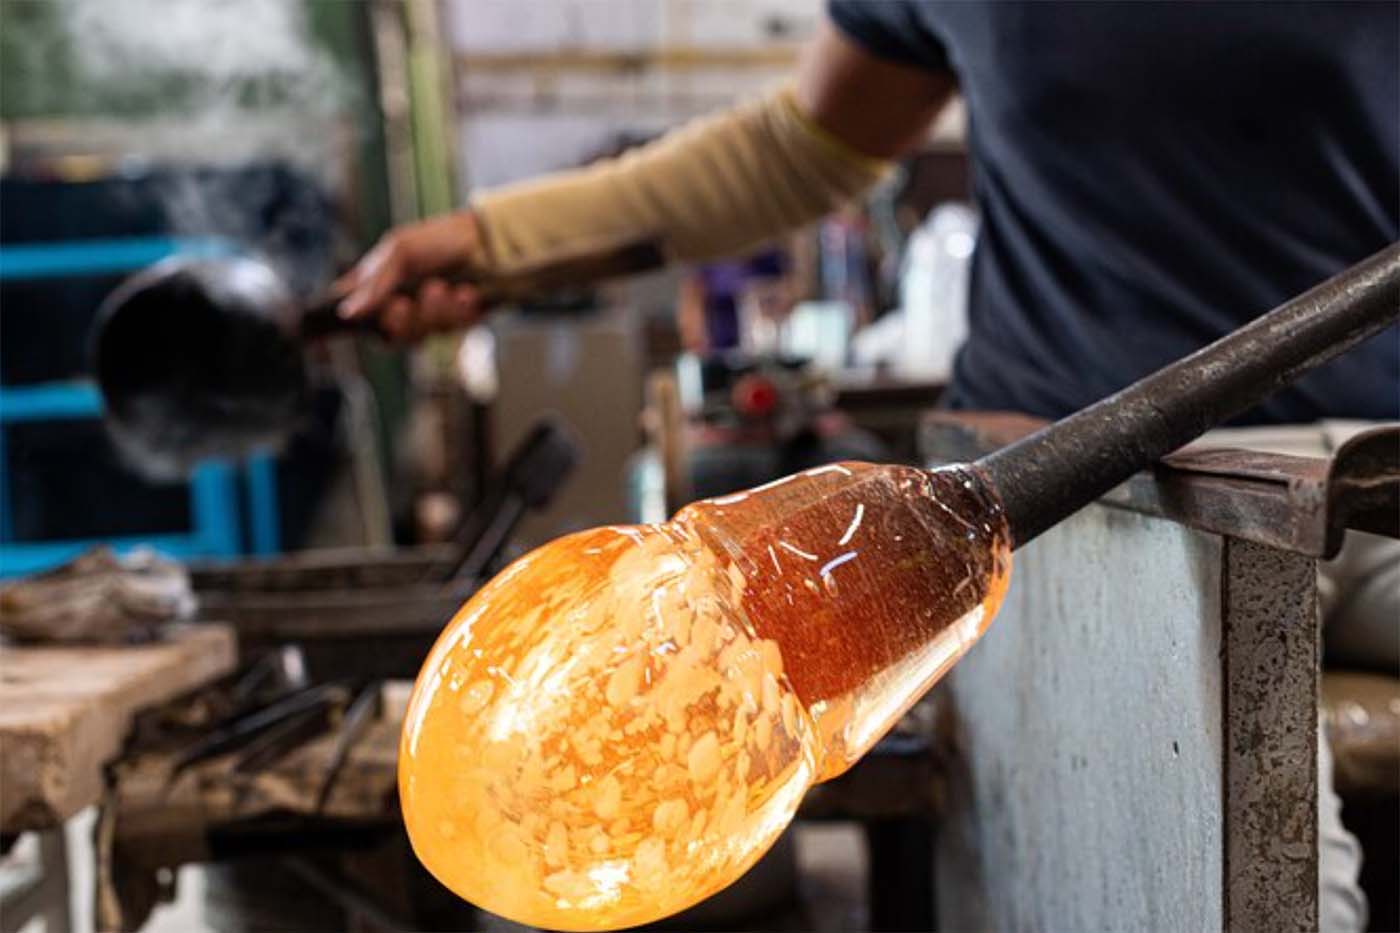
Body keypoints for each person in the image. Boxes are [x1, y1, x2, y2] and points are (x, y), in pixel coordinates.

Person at [336, 4, 1397, 928]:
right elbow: (799, 150)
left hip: (1377, 463)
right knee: (1267, 892)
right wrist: (497, 241)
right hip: (1094, 501)